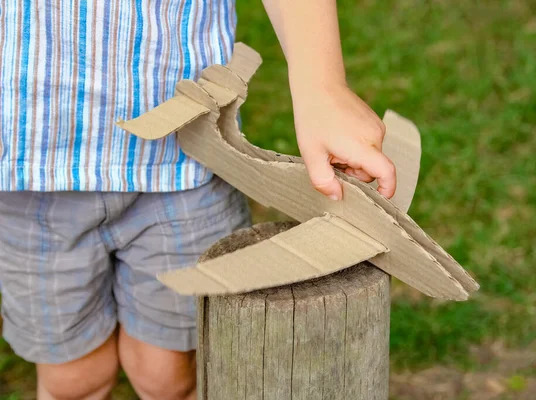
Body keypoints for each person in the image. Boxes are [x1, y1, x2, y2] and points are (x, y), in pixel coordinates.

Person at [0, 1, 396, 399]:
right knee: (74, 380)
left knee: (167, 376)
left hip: (183, 170)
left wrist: (323, 87)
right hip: (28, 177)